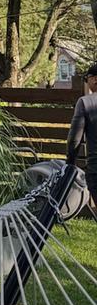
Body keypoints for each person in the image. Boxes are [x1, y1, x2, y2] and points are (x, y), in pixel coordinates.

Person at [65, 63, 97, 212]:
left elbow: (74, 140)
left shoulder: (85, 102)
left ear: (94, 79)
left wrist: (70, 164)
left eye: (87, 78)